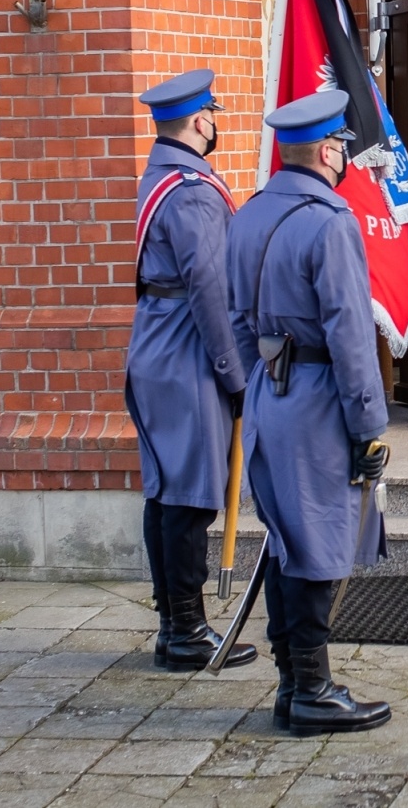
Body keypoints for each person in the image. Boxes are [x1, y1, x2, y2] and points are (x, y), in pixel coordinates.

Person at [227, 90, 391, 736]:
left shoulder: (248, 212)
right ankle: (312, 691)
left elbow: (237, 318)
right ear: (328, 150)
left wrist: (256, 388)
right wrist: (369, 424)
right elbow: (351, 334)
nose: (346, 155)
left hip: (272, 397)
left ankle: (294, 682)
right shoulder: (330, 219)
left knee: (288, 544)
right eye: (343, 146)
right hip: (321, 396)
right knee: (319, 544)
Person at [126, 70, 258, 674]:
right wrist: (235, 374)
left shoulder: (159, 175)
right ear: (201, 121)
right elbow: (210, 288)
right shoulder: (194, 190)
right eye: (213, 116)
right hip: (186, 352)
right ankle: (186, 631)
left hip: (157, 343)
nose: (215, 125)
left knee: (167, 491)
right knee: (189, 496)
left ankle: (173, 624)